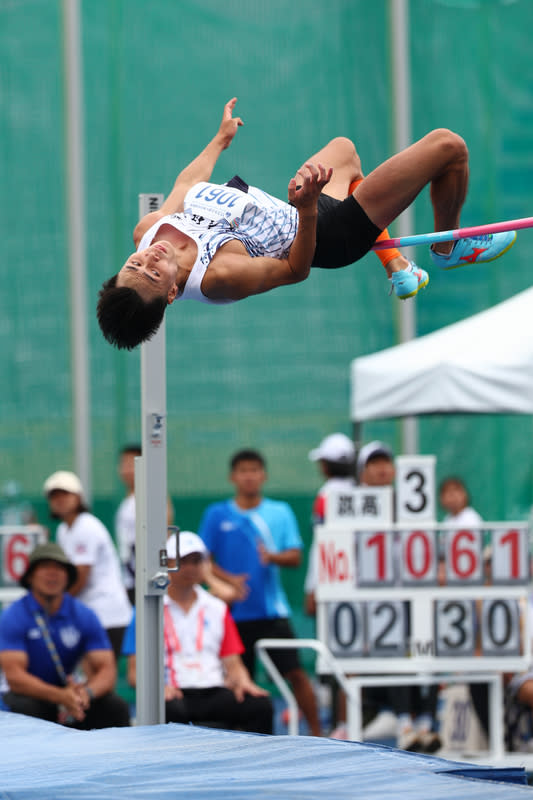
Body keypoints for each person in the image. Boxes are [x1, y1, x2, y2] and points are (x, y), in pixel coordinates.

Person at [96, 97, 516, 350]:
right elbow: (297, 270)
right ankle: (448, 249)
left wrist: (221, 140)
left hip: (299, 204)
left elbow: (187, 183)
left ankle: (396, 266)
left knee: (345, 152)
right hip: (328, 237)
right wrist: (309, 207)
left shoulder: (147, 230)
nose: (151, 257)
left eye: (135, 265)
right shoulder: (219, 276)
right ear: (171, 292)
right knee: (448, 148)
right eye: (154, 273)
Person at [198, 448, 322, 736]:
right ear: (233, 477)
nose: (249, 476)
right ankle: (237, 739)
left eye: (254, 470)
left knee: (296, 674)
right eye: (243, 471)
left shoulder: (279, 512)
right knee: (236, 680)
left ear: (263, 475)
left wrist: (272, 557)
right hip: (231, 615)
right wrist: (230, 582)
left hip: (271, 612)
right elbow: (203, 560)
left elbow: (295, 556)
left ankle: (318, 732)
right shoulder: (217, 514)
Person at [123, 531, 273, 734]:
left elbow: (234, 664)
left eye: (197, 561)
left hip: (214, 689)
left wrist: (244, 682)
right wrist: (158, 689)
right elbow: (134, 672)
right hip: (174, 693)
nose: (191, 568)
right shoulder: (148, 610)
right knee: (169, 711)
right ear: (167, 564)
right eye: (184, 561)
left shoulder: (217, 608)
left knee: (259, 706)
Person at [0, 542, 130, 728]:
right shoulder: (13, 615)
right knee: (25, 708)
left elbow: (107, 670)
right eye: (45, 567)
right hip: (30, 695)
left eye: (59, 568)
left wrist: (86, 693)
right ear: (30, 576)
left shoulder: (84, 614)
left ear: (68, 577)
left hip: (72, 693)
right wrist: (59, 696)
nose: (53, 573)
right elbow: (16, 678)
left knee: (115, 708)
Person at [43, 471, 132, 661]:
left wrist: (56, 605)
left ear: (78, 497)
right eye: (54, 496)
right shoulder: (63, 530)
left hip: (106, 615)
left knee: (99, 676)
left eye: (65, 494)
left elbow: (81, 576)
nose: (59, 500)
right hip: (90, 614)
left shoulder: (86, 526)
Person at [115, 444, 176, 605]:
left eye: (131, 465)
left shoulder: (153, 494)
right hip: (129, 580)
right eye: (123, 464)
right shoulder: (127, 501)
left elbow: (164, 535)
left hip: (146, 580)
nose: (126, 470)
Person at [304, 432, 356, 616]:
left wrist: (312, 587)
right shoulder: (364, 493)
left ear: (325, 466)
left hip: (331, 581)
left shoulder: (326, 497)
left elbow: (321, 546)